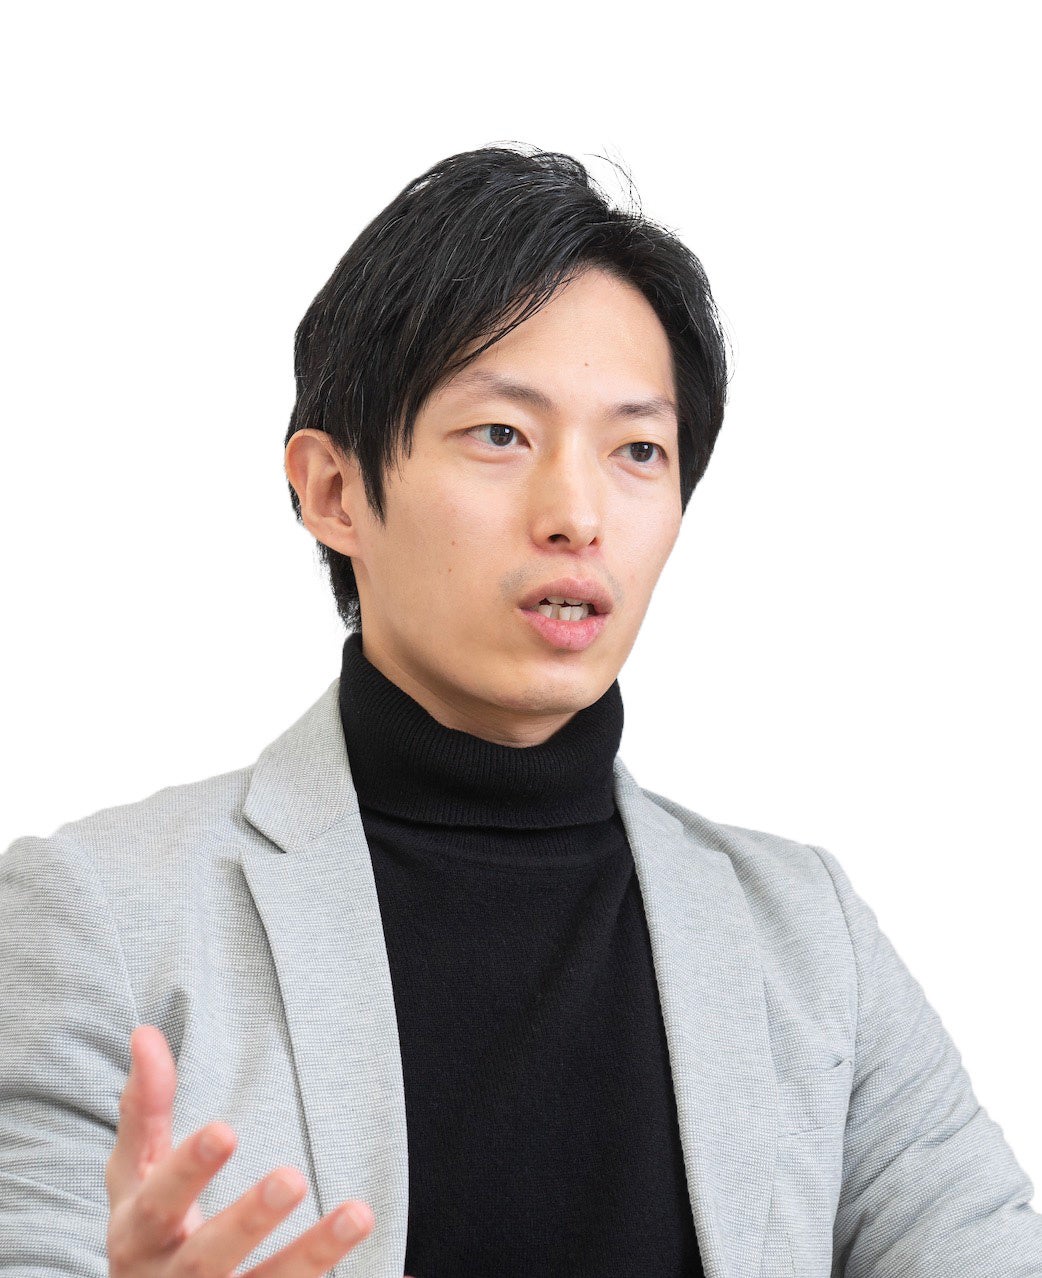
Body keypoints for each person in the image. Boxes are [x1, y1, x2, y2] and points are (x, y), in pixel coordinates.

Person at [1, 143, 1039, 1278]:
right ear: (333, 491)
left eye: (637, 449)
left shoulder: (805, 937)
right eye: (501, 434)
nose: (576, 514)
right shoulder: (100, 919)